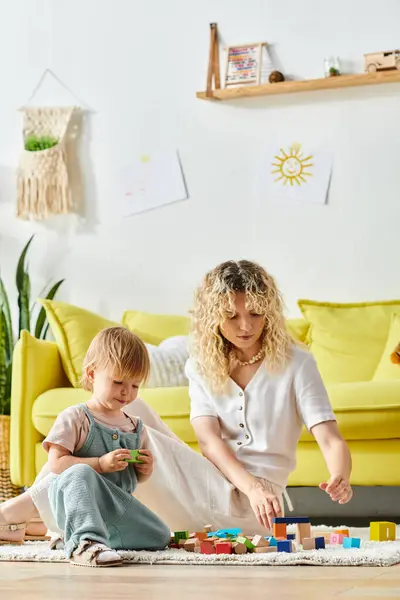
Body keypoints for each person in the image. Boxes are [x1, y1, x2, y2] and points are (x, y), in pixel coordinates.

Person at [0, 260, 352, 542]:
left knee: (126, 419)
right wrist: (250, 485)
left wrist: (340, 474)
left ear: (270, 313)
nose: (246, 326)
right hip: (205, 487)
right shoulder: (201, 363)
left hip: (256, 510)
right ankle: (28, 517)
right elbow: (209, 443)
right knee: (125, 409)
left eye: (256, 313)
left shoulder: (298, 363)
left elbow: (330, 437)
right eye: (231, 315)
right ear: (214, 317)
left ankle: (13, 515)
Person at [0, 327, 170, 567]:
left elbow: (134, 481)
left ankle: (73, 535)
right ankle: (84, 544)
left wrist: (145, 470)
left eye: (135, 385)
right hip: (74, 503)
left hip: (114, 509)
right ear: (91, 374)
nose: (127, 392)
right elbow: (57, 465)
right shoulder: (75, 418)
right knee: (80, 473)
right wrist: (100, 464)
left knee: (160, 535)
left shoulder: (135, 427)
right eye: (119, 381)